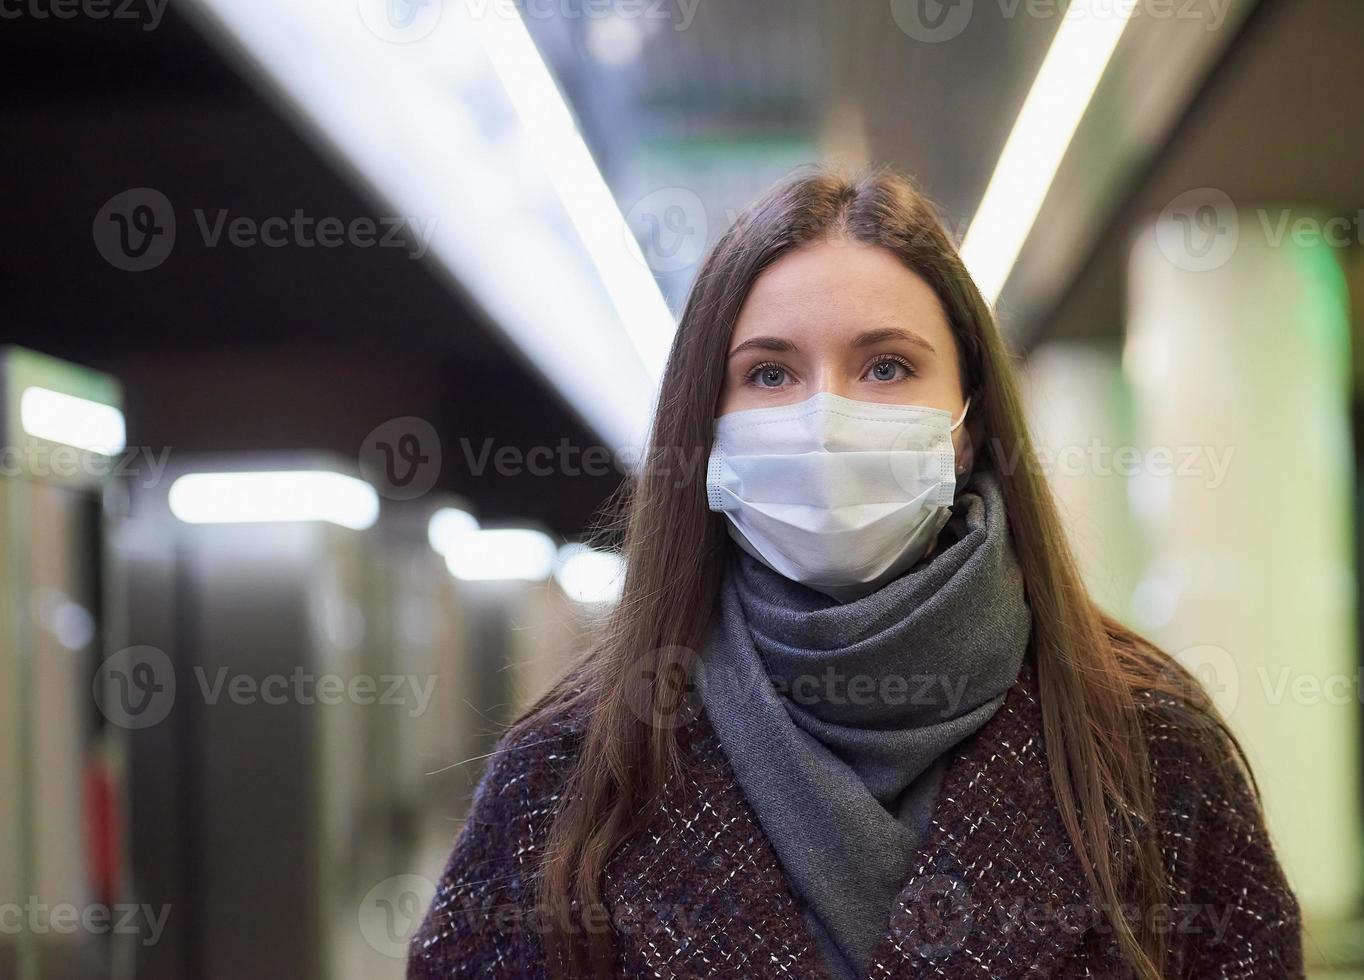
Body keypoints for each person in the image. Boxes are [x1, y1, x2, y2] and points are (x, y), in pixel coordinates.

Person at [407, 168, 1303, 979]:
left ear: (971, 423)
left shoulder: (1150, 747)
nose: (825, 418)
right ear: (705, 427)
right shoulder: (570, 774)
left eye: (886, 366)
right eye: (768, 374)